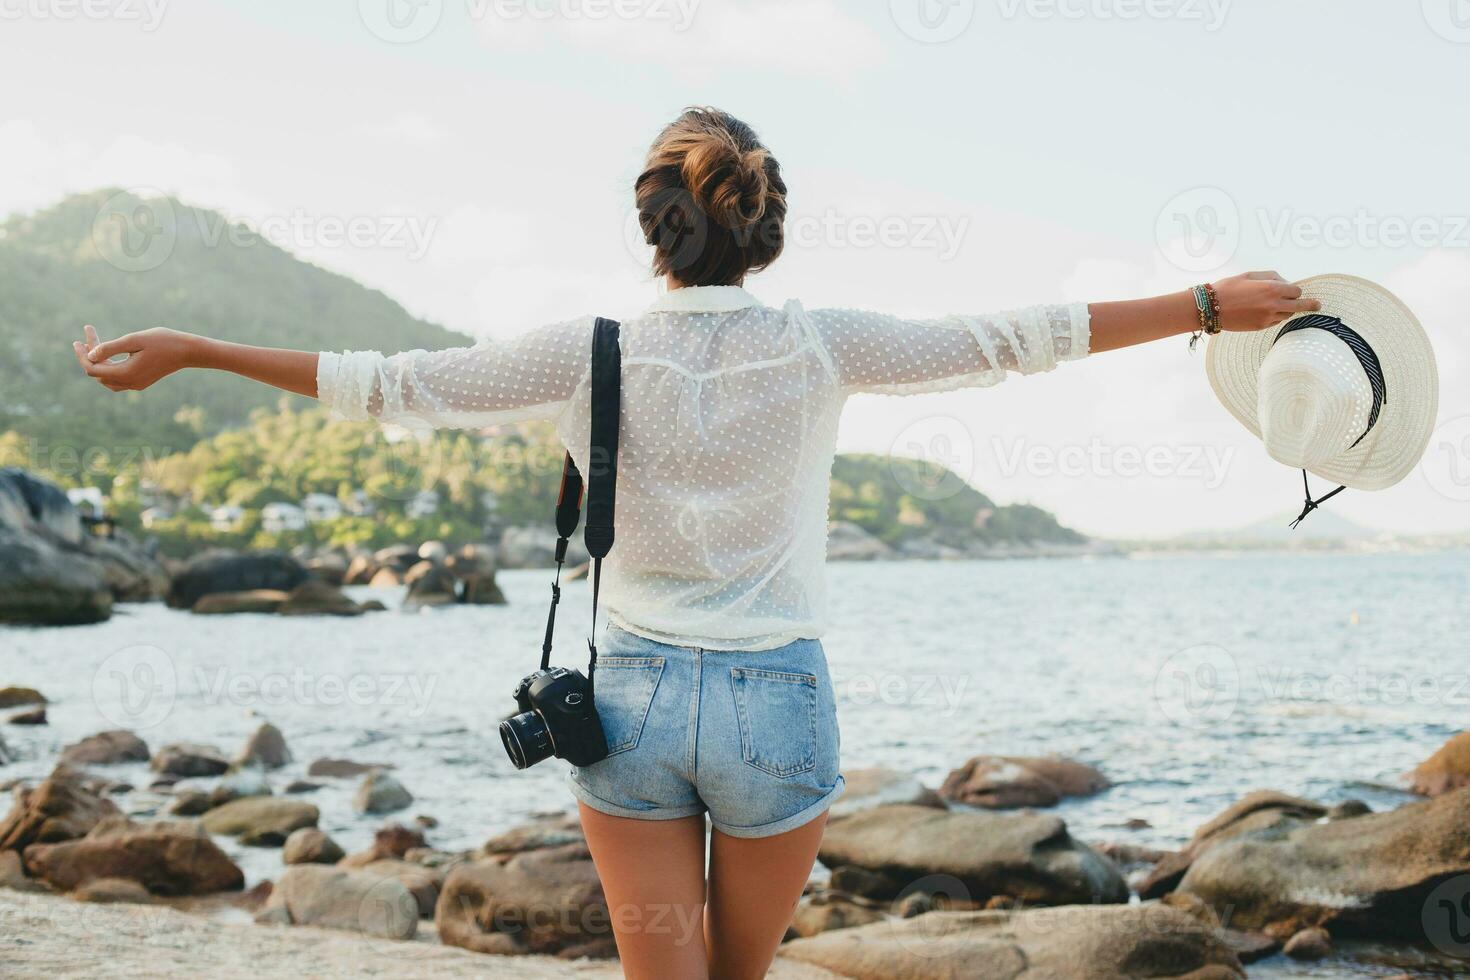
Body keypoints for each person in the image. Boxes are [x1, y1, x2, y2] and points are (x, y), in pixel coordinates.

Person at [72, 107, 1319, 980]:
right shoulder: (823, 341)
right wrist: (1208, 305)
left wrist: (197, 343)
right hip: (780, 700)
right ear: (764, 229)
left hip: (631, 700)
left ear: (655, 228)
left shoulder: (589, 347)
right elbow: (1013, 336)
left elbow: (389, 381)